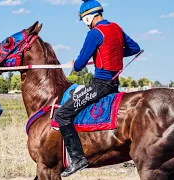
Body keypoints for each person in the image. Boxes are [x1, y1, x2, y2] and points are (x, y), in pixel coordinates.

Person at [54, 0, 141, 177]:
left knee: (62, 114)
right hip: (115, 85)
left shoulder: (94, 34)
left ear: (87, 18)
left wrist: (75, 64)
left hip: (99, 86)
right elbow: (134, 48)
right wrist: (111, 50)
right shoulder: (116, 28)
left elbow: (79, 65)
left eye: (83, 20)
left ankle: (77, 159)